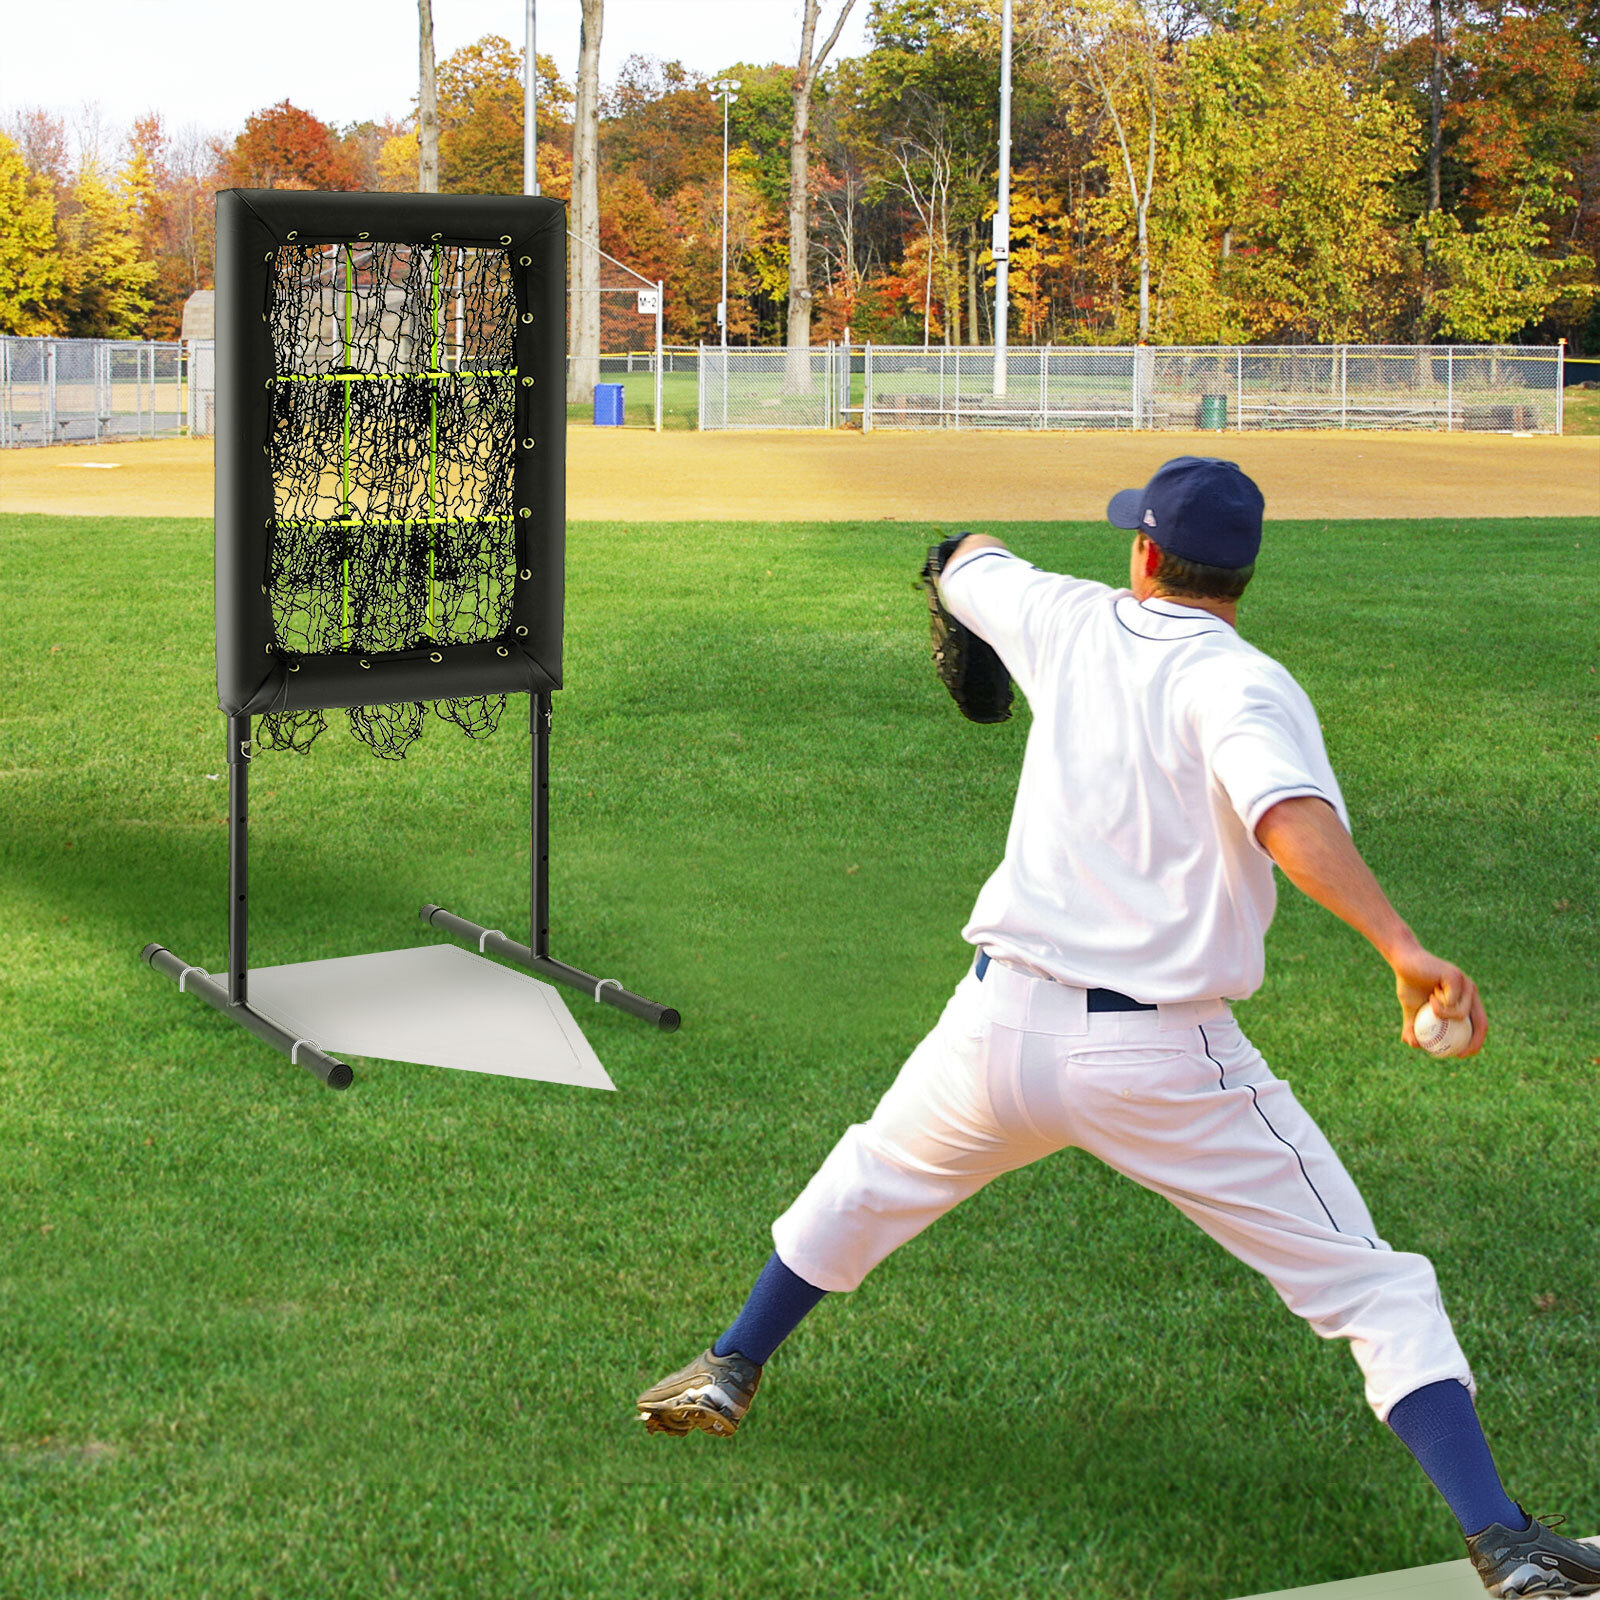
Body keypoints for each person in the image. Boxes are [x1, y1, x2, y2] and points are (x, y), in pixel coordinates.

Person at [635, 458, 1598, 1600]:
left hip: (992, 1029)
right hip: (1156, 1058)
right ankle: (1505, 1544)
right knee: (1374, 1286)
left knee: (869, 1176)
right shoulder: (1244, 682)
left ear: (1142, 552)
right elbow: (1284, 812)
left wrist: (959, 615)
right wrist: (1401, 947)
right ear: (1241, 573)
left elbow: (959, 556)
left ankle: (730, 1362)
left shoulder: (1064, 618)